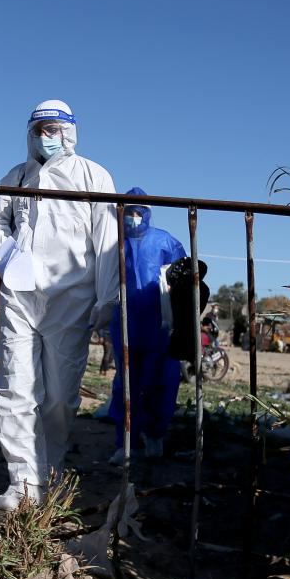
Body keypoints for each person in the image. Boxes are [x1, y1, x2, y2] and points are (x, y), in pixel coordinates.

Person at [0, 100, 117, 510]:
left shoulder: (93, 176)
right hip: (20, 296)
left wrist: (108, 299)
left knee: (59, 394)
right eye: (39, 128)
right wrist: (3, 256)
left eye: (54, 129)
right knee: (15, 385)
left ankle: (49, 471)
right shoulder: (17, 177)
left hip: (71, 299)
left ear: (70, 132)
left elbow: (108, 242)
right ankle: (22, 481)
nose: (46, 136)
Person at [106, 189, 187, 464]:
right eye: (128, 211)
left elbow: (183, 278)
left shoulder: (165, 241)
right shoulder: (113, 244)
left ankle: (155, 435)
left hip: (159, 324)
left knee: (160, 381)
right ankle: (125, 442)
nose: (134, 217)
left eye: (139, 211)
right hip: (125, 321)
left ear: (148, 212)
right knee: (126, 382)